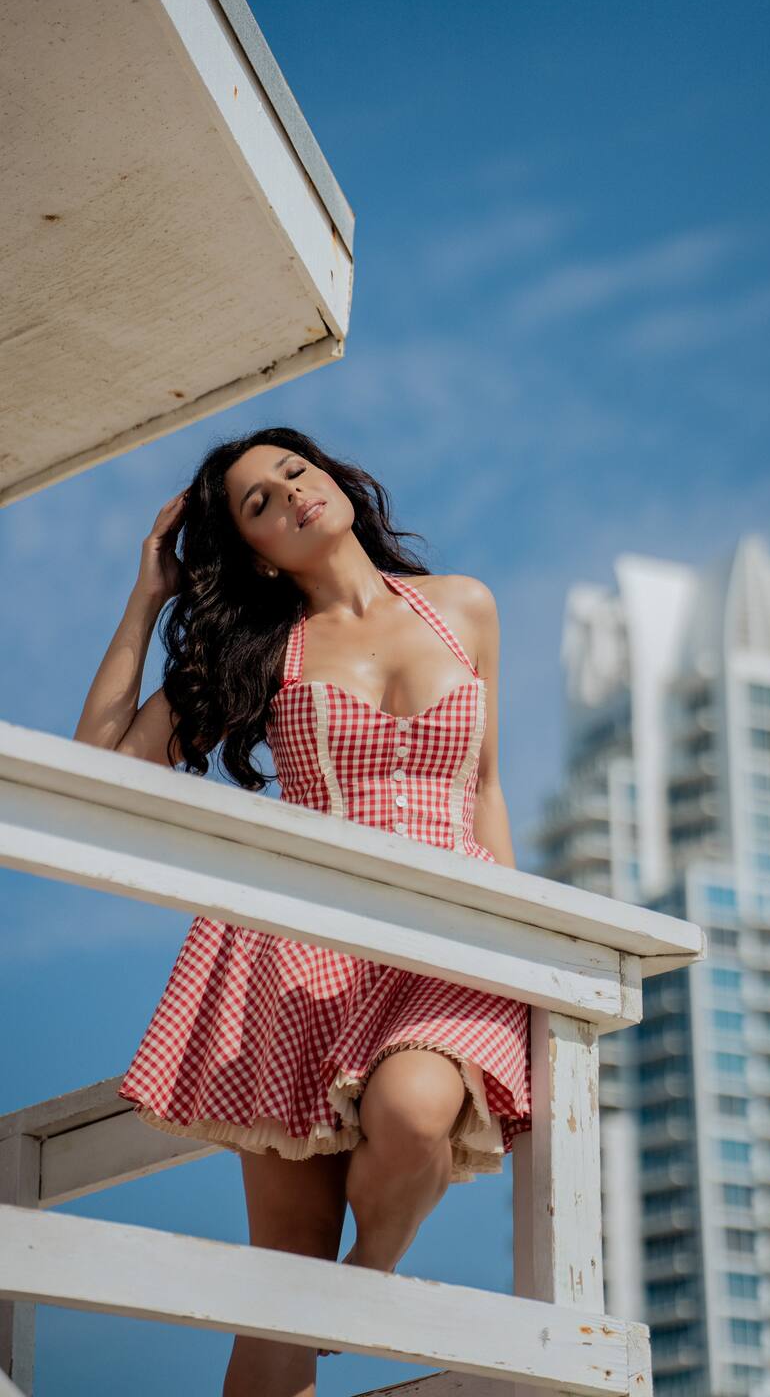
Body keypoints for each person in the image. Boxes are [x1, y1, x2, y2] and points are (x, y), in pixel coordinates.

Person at [73, 426, 532, 1397]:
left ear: (333, 479)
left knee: (412, 1114)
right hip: (297, 953)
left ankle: (364, 1285)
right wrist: (147, 592)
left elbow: (486, 788)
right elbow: (104, 764)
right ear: (254, 553)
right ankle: (319, 1304)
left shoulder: (465, 609)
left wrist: (522, 944)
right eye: (258, 505)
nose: (290, 496)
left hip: (452, 936)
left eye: (294, 473)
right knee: (282, 1271)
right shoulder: (263, 652)